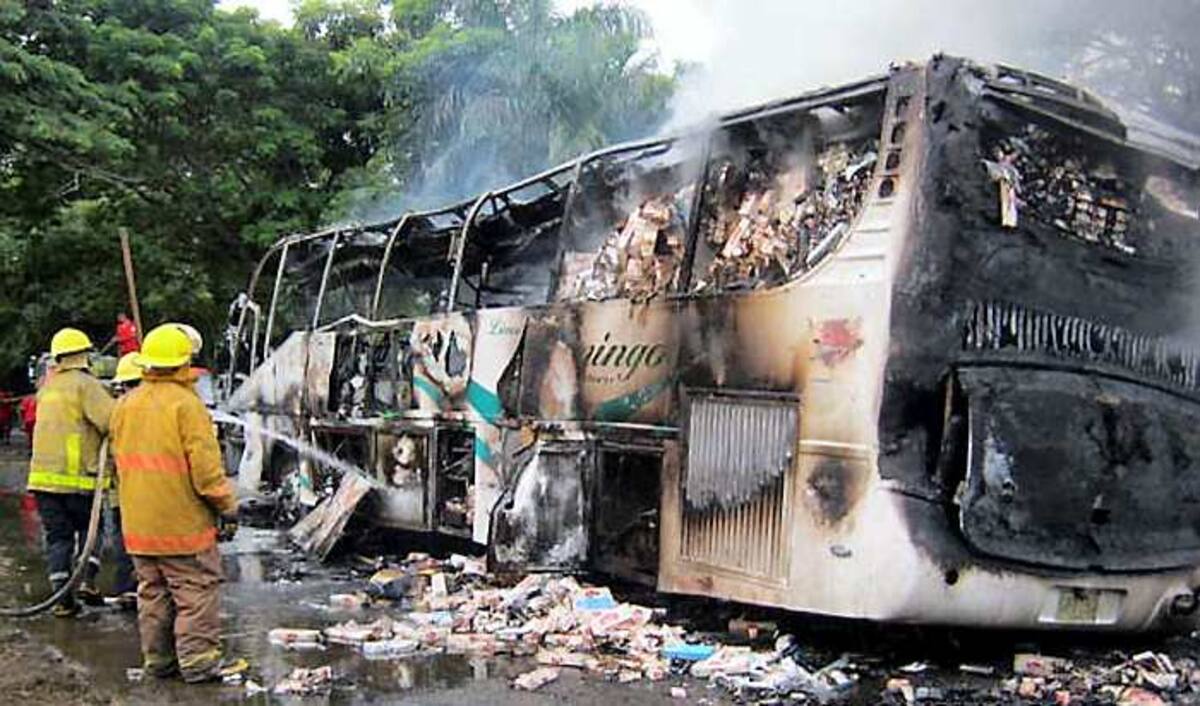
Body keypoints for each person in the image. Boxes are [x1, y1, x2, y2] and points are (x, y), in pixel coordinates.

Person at [111, 324, 237, 682]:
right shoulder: (187, 406)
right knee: (195, 592)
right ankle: (198, 663)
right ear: (184, 362)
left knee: (152, 594)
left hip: (138, 527)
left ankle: (159, 661)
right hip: (182, 526)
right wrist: (227, 506)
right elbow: (207, 472)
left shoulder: (125, 405)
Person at [27, 327, 115, 617]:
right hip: (77, 479)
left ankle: (62, 600)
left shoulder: (47, 387)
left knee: (58, 538)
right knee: (93, 531)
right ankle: (87, 582)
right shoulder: (85, 385)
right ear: (83, 355)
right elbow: (111, 421)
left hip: (42, 482)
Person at [105, 353, 142, 610]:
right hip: (144, 494)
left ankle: (127, 589)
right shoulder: (155, 408)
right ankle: (135, 590)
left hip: (124, 493)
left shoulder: (117, 410)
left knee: (125, 543)